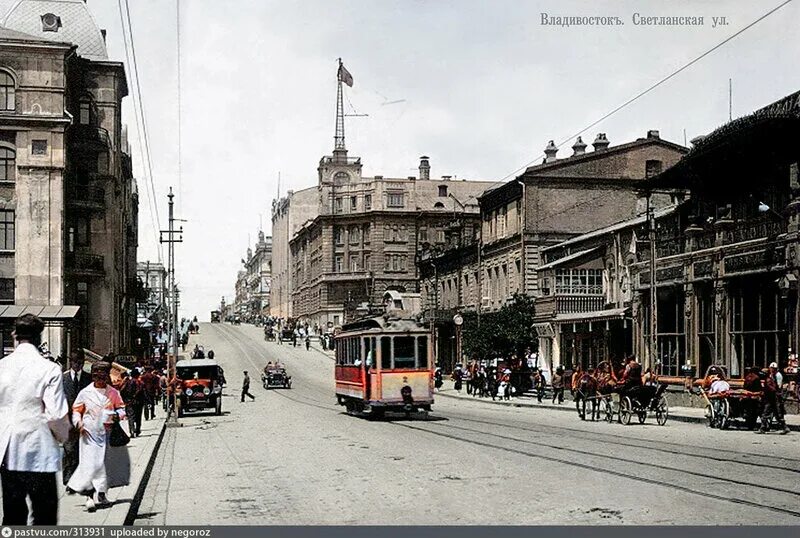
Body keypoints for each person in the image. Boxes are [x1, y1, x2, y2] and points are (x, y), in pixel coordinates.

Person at [0, 314, 70, 525]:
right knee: (44, 512)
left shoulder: (2, 366)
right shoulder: (48, 369)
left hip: (7, 447)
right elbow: (56, 414)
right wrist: (63, 437)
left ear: (15, 335)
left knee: (13, 512)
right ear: (39, 338)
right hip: (38, 448)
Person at [67, 362, 127, 512]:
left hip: (106, 434)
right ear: (93, 378)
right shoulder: (85, 393)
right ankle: (89, 497)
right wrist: (78, 422)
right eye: (97, 378)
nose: (100, 381)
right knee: (89, 465)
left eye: (103, 378)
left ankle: (102, 495)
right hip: (88, 434)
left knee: (103, 466)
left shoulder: (113, 393)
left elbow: (121, 408)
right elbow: (76, 410)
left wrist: (117, 416)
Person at [62, 349, 92, 488]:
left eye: (80, 362)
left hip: (85, 420)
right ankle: (68, 479)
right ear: (70, 362)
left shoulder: (89, 378)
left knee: (83, 451)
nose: (77, 365)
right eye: (74, 362)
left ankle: (80, 479)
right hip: (67, 420)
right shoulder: (63, 378)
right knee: (69, 450)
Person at [758, 366, 790, 435]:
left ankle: (762, 428)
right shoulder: (769, 379)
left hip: (771, 400)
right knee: (777, 415)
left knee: (765, 414)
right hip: (773, 399)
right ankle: (785, 427)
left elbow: (772, 389)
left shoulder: (768, 380)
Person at [121, 370, 145, 438]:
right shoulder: (141, 383)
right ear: (137, 375)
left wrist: (125, 400)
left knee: (131, 417)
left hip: (129, 402)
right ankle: (137, 430)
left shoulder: (127, 383)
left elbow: (122, 391)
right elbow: (144, 393)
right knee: (138, 416)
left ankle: (132, 431)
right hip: (139, 402)